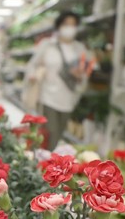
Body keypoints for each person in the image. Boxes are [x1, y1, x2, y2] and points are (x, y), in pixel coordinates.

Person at [25, 11, 93, 149]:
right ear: (59, 26)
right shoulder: (47, 45)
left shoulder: (79, 49)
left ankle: (48, 162)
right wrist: (33, 75)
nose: (70, 28)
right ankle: (44, 164)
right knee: (50, 134)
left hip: (68, 98)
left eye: (73, 25)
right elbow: (33, 64)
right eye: (66, 24)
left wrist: (80, 75)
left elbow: (85, 73)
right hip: (48, 97)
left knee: (58, 135)